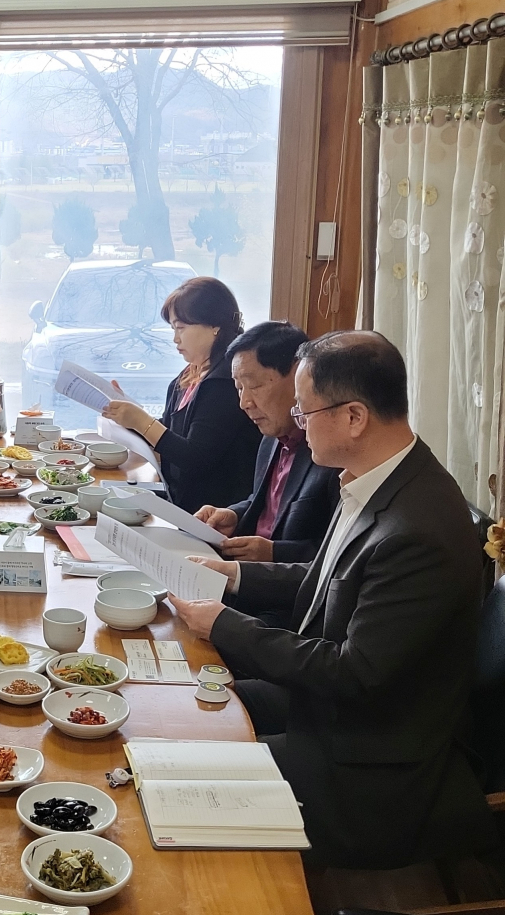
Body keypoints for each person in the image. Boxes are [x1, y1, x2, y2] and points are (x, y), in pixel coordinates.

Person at [170, 331, 497, 869]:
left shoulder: (417, 529)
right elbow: (326, 581)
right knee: (185, 709)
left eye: (304, 413)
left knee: (192, 778)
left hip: (371, 767)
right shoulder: (379, 479)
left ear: (353, 417)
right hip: (331, 714)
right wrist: (234, 575)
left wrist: (225, 626)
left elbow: (355, 674)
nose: (297, 425)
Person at [102, 276, 261, 515]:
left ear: (214, 326)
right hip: (180, 501)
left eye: (181, 328)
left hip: (211, 513)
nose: (175, 338)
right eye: (173, 328)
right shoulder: (189, 374)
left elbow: (195, 458)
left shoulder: (225, 381)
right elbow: (169, 437)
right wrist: (128, 415)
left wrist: (142, 422)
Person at [195, 321, 340, 567]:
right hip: (244, 571)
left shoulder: (331, 450)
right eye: (239, 388)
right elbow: (265, 502)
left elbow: (340, 553)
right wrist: (233, 515)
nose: (244, 402)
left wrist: (275, 553)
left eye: (255, 386)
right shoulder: (270, 438)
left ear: (298, 375)